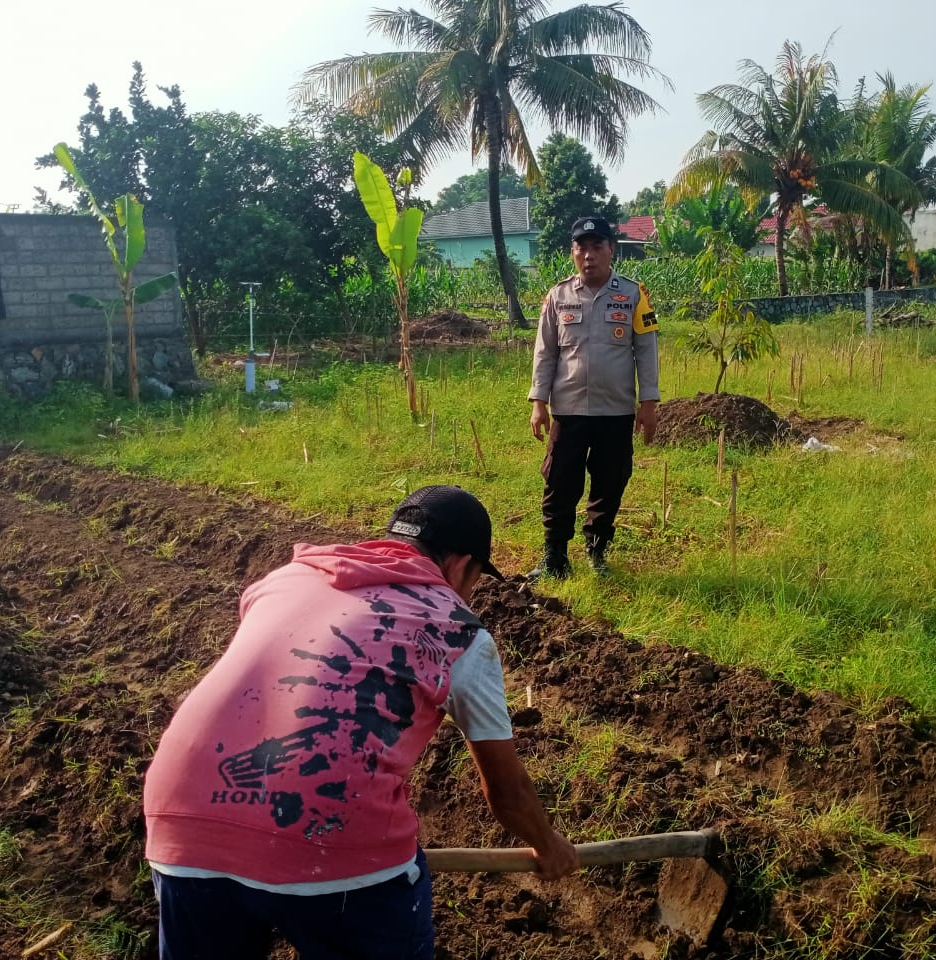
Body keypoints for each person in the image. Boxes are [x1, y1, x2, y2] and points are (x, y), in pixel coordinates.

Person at [143, 485, 578, 960]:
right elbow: (509, 794)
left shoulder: (283, 580)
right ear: (461, 565)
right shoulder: (459, 632)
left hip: (182, 818)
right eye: (475, 579)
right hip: (330, 832)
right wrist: (548, 845)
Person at [527, 215, 661, 579]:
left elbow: (646, 350)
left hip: (615, 411)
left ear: (611, 250)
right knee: (559, 480)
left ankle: (597, 551)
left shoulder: (634, 295)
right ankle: (555, 556)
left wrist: (648, 403)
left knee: (610, 481)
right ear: (573, 252)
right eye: (581, 248)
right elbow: (545, 352)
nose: (589, 255)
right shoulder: (557, 296)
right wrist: (539, 402)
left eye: (596, 246)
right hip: (568, 409)